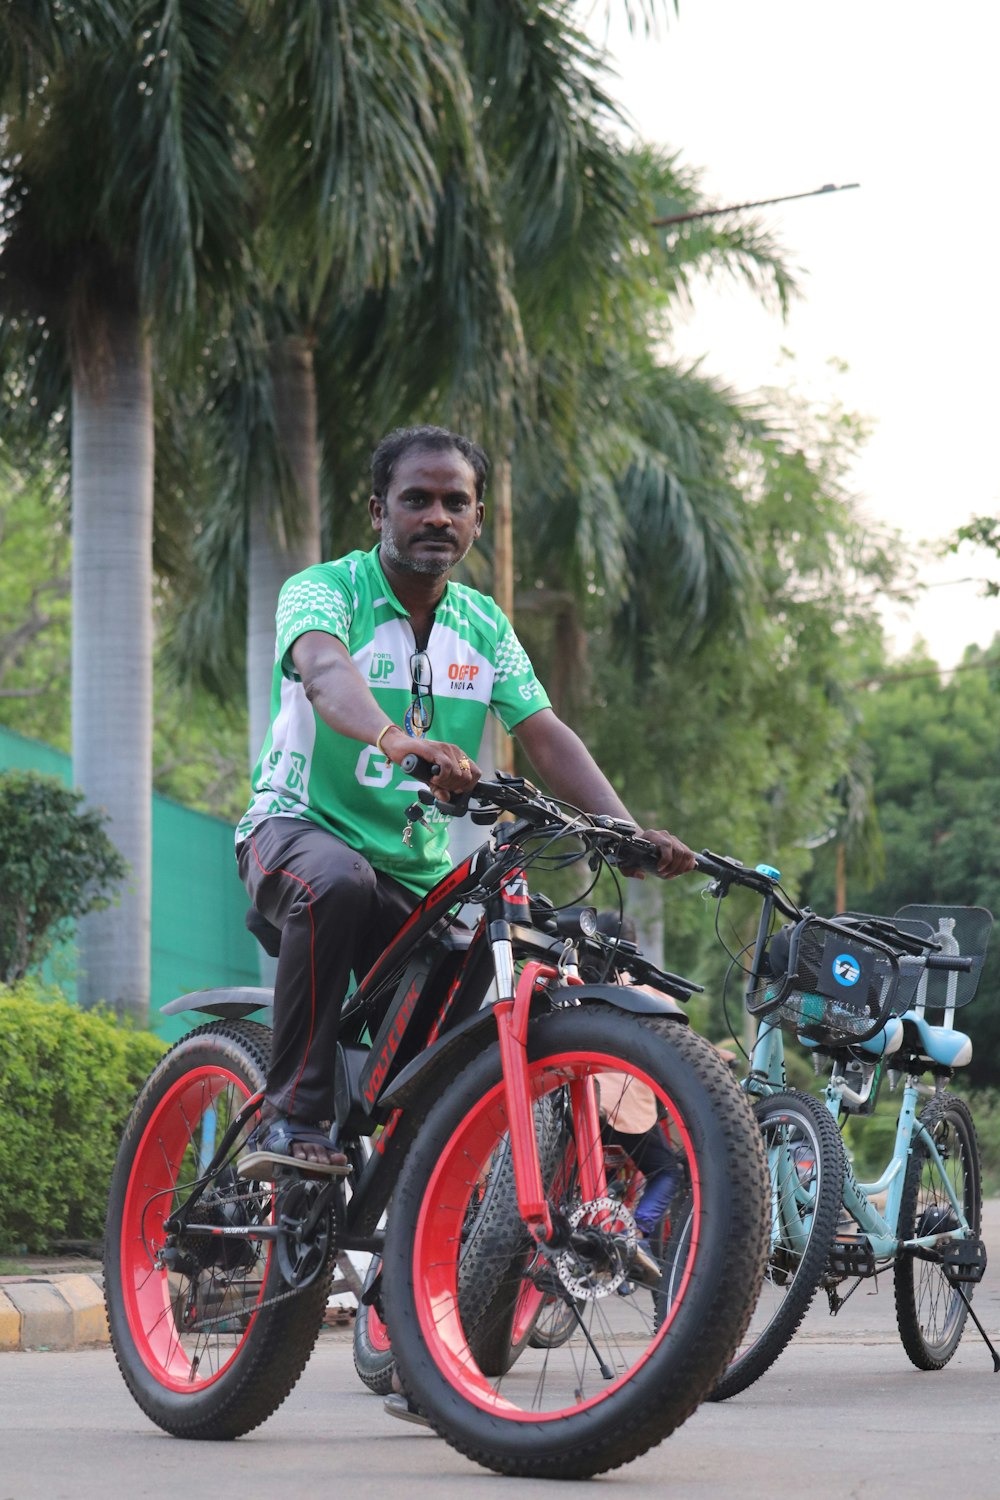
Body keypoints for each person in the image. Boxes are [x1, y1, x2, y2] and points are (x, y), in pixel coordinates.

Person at [236, 424, 695, 1170]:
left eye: (457, 502)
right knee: (338, 881)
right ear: (379, 511)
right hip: (294, 834)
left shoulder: (483, 625)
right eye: (417, 500)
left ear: (478, 518)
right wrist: (395, 739)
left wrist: (626, 833)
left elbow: (544, 734)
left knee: (462, 1017)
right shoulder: (326, 589)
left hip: (414, 881)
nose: (438, 517)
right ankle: (291, 1118)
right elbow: (323, 672)